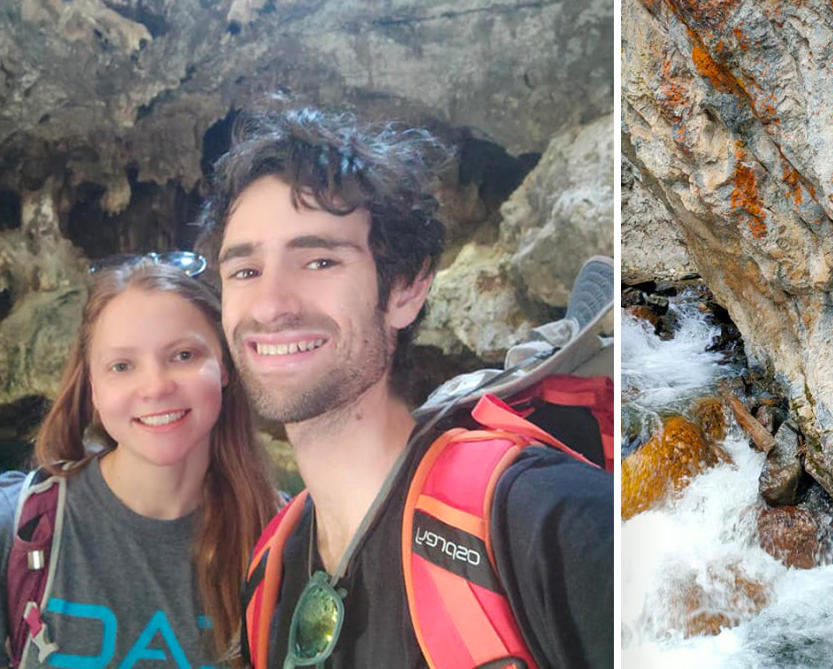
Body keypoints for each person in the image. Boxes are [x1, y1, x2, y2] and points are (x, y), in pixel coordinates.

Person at [194, 108, 612, 667]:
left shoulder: (544, 522)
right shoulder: (273, 568)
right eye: (245, 272)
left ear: (407, 290)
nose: (270, 305)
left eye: (318, 260)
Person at [0, 256, 280, 667]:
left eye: (183, 355)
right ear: (93, 387)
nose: (155, 387)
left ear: (224, 366)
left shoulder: (285, 537)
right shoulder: (19, 526)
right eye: (122, 366)